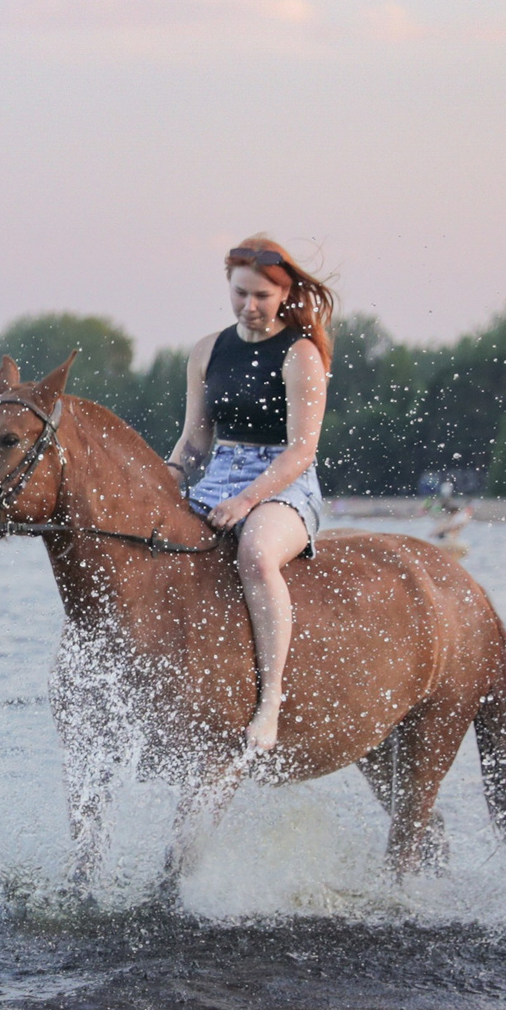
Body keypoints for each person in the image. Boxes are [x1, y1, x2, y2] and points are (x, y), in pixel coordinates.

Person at [163, 235, 333, 754]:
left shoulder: (300, 353)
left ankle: (270, 701)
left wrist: (247, 502)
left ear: (283, 295)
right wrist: (165, 479)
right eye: (241, 294)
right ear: (229, 287)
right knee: (156, 547)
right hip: (219, 472)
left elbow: (301, 452)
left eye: (262, 296)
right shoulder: (206, 351)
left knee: (255, 553)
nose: (250, 306)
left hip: (284, 482)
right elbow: (195, 440)